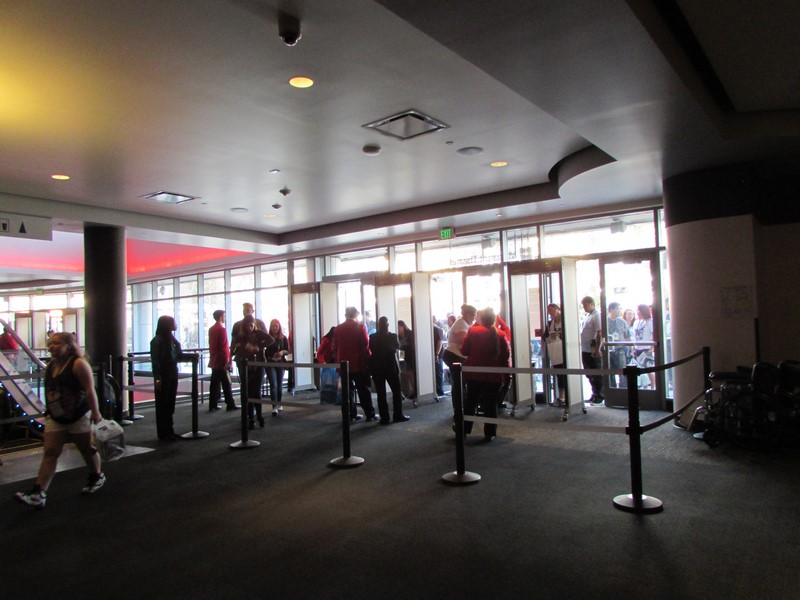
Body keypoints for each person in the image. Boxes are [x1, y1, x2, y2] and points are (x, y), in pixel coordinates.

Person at [13, 332, 105, 508]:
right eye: (50, 343)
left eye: (56, 343)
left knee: (86, 448)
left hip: (78, 415)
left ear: (68, 346)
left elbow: (89, 389)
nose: (51, 346)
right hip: (56, 417)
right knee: (50, 451)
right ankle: (39, 493)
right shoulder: (51, 365)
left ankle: (97, 476)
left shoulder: (79, 364)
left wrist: (96, 412)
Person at [460, 307, 510, 442]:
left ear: (481, 318)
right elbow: (505, 356)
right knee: (491, 404)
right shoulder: (501, 334)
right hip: (494, 375)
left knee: (471, 402)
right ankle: (490, 433)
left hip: (475, 374)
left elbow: (464, 351)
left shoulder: (473, 331)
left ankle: (464, 429)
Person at [150, 315, 193, 440]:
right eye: (173, 322)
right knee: (163, 404)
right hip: (164, 376)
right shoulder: (157, 341)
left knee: (170, 403)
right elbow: (155, 362)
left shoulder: (171, 340)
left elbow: (178, 355)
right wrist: (158, 379)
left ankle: (169, 430)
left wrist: (190, 356)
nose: (176, 325)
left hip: (172, 374)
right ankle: (164, 433)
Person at [232, 315, 275, 429]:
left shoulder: (259, 333)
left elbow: (271, 340)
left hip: (258, 365)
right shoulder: (241, 336)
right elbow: (233, 348)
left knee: (256, 391)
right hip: (245, 365)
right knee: (248, 392)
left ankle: (259, 416)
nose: (249, 327)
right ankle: (251, 417)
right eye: (247, 326)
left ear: (254, 324)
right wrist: (242, 346)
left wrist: (258, 346)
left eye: (251, 325)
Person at [333, 307, 376, 421]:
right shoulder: (360, 327)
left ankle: (350, 414)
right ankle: (369, 414)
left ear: (345, 315)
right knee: (363, 390)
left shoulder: (338, 329)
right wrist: (368, 361)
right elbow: (365, 346)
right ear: (356, 315)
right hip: (359, 364)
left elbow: (335, 347)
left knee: (347, 392)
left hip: (343, 365)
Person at [369, 316, 409, 424]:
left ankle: (384, 418)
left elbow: (371, 350)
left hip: (377, 368)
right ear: (387, 325)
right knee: (396, 392)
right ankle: (398, 415)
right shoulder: (393, 336)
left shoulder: (372, 337)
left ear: (378, 325)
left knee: (381, 394)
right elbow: (396, 347)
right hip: (391, 367)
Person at [207, 309, 238, 412]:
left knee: (214, 384)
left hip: (214, 360)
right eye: (224, 316)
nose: (225, 318)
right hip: (222, 361)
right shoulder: (222, 330)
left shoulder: (211, 329)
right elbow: (224, 347)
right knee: (226, 383)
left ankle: (213, 405)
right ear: (220, 317)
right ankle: (230, 404)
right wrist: (228, 361)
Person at [579, 296, 604, 404]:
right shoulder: (588, 316)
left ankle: (600, 395)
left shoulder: (596, 315)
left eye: (585, 305)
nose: (584, 307)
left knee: (596, 373)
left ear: (591, 304)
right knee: (589, 373)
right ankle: (594, 393)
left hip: (592, 349)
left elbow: (599, 332)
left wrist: (597, 348)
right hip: (585, 349)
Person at [542, 303, 566, 404]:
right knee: (559, 374)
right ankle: (561, 397)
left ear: (557, 309)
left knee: (565, 374)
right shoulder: (550, 323)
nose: (550, 313)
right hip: (555, 351)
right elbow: (544, 337)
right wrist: (549, 337)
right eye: (548, 311)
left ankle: (566, 396)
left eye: (551, 310)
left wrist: (559, 335)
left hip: (565, 352)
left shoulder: (565, 321)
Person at [442, 304, 477, 370]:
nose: (474, 318)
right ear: (469, 315)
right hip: (454, 354)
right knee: (459, 376)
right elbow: (464, 341)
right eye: (474, 315)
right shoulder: (461, 323)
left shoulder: (465, 323)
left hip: (456, 354)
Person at [267, 319, 291, 416]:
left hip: (280, 363)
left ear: (279, 326)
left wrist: (282, 352)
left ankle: (279, 402)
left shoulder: (283, 338)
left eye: (276, 326)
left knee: (279, 385)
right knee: (273, 385)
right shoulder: (268, 338)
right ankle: (274, 407)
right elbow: (265, 351)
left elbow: (288, 351)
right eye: (273, 326)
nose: (275, 328)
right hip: (271, 363)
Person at [607, 302, 631, 388]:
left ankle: (623, 391)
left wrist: (631, 350)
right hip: (609, 351)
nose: (619, 311)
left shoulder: (622, 322)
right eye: (617, 309)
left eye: (620, 309)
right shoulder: (605, 322)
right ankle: (612, 391)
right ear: (611, 310)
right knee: (610, 373)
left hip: (620, 350)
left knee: (622, 372)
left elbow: (627, 336)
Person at [633, 304, 656, 389]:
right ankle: (645, 387)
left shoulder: (650, 321)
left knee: (648, 369)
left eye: (639, 310)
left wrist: (652, 348)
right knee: (641, 370)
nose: (637, 312)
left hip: (646, 348)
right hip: (637, 348)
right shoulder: (636, 322)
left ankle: (653, 387)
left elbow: (653, 334)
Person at [397, 320, 416, 400]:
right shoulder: (398, 337)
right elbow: (400, 349)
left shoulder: (410, 334)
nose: (398, 329)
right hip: (404, 357)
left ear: (403, 326)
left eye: (399, 327)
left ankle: (415, 391)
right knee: (407, 374)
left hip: (412, 356)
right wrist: (401, 359)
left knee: (411, 374)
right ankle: (411, 391)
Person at [432, 317, 445, 398]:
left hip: (437, 354)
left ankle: (440, 390)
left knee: (438, 372)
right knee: (436, 372)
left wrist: (436, 354)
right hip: (432, 353)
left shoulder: (437, 329)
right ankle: (437, 389)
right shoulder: (430, 329)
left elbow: (440, 342)